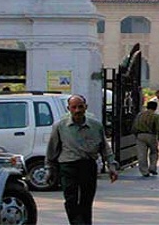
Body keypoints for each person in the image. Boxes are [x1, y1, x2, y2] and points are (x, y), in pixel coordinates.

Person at [45, 94, 118, 225]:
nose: (77, 110)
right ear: (69, 108)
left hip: (88, 165)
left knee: (86, 200)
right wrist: (49, 169)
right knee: (71, 200)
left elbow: (104, 147)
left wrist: (111, 166)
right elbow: (52, 149)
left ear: (86, 107)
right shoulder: (60, 126)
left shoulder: (96, 126)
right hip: (68, 166)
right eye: (74, 107)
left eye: (80, 107)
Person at [132, 101, 159, 177]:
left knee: (142, 154)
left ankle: (144, 171)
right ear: (155, 107)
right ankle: (152, 167)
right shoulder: (156, 116)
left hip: (140, 135)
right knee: (154, 152)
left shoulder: (140, 115)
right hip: (151, 135)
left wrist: (136, 135)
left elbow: (134, 127)